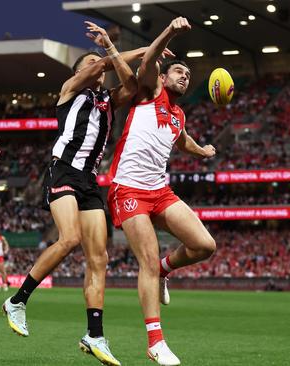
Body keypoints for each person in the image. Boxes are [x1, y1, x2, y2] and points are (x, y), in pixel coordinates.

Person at [2, 20, 149, 366]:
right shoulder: (69, 90)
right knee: (69, 239)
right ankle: (18, 301)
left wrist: (119, 52)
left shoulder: (108, 100)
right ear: (79, 72)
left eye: (95, 64)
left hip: (90, 181)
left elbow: (131, 84)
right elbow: (102, 64)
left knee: (99, 259)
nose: (95, 66)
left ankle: (94, 334)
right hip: (63, 169)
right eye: (89, 64)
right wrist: (137, 49)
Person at [106, 17, 217, 366]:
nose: (185, 76)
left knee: (204, 245)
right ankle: (155, 341)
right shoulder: (151, 89)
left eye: (188, 75)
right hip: (129, 188)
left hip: (160, 190)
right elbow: (150, 59)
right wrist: (169, 31)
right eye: (179, 71)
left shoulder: (178, 114)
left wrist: (204, 151)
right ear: (165, 76)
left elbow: (182, 141)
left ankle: (166, 269)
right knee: (146, 263)